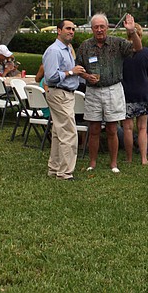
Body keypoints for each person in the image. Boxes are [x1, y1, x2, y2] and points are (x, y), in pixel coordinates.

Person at [76, 13, 142, 173]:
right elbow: (78, 67)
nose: (99, 30)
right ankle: (92, 162)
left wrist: (132, 31)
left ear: (107, 27)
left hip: (113, 89)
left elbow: (138, 48)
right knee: (94, 129)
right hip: (93, 91)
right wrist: (86, 76)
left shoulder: (117, 43)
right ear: (91, 29)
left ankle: (113, 163)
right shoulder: (85, 46)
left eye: (102, 26)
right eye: (96, 27)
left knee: (112, 128)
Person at [42, 20, 86, 180]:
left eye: (73, 29)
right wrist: (70, 72)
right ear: (58, 31)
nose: (72, 31)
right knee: (69, 133)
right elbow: (51, 77)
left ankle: (54, 169)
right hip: (59, 93)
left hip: (66, 94)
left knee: (58, 133)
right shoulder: (54, 51)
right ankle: (65, 173)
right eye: (68, 28)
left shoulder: (67, 49)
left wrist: (80, 74)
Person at [121, 24, 148, 165]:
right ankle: (143, 158)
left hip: (126, 93)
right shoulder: (145, 52)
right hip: (142, 92)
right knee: (142, 127)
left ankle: (129, 158)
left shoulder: (123, 53)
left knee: (127, 128)